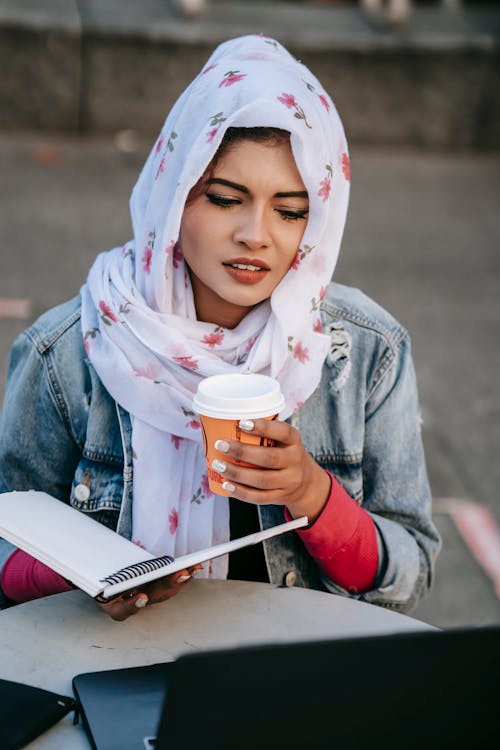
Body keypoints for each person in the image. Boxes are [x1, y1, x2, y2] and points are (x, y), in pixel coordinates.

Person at [0, 35, 440, 621]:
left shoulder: (364, 353)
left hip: (297, 682)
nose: (256, 234)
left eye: (290, 210)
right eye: (227, 198)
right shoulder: (71, 352)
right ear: (173, 193)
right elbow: (6, 549)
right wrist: (84, 570)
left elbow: (408, 577)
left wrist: (311, 494)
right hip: (110, 675)